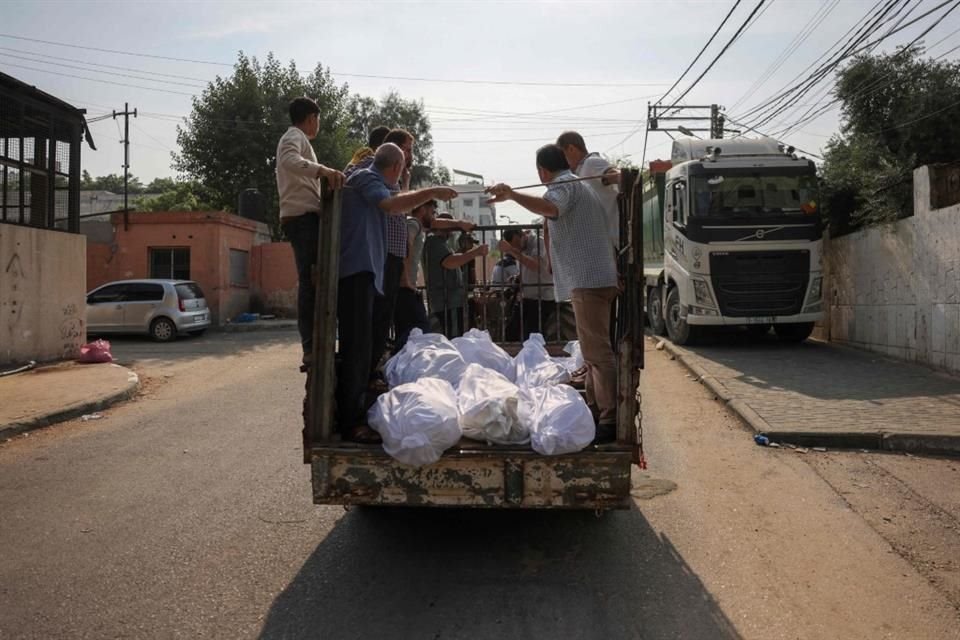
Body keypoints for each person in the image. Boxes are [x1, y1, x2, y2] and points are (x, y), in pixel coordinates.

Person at [485, 144, 619, 443]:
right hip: (595, 277)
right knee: (594, 353)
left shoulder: (562, 186)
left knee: (598, 354)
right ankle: (599, 412)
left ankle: (609, 419)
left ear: (542, 172)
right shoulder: (578, 186)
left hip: (589, 280)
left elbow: (551, 208)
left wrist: (513, 195)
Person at [337, 143, 458, 443]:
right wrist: (431, 192)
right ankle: (350, 422)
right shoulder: (365, 177)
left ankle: (357, 412)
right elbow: (391, 205)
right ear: (394, 168)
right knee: (356, 347)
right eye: (402, 171)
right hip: (355, 271)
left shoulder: (377, 182)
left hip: (366, 273)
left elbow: (396, 200)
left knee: (366, 345)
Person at [275, 96, 346, 371]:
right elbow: (289, 160)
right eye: (318, 118)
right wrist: (323, 171)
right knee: (310, 279)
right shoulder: (293, 137)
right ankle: (309, 346)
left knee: (317, 280)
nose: (318, 124)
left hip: (306, 218)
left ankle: (317, 341)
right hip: (301, 219)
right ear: (311, 117)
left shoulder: (299, 139)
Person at [368, 129, 417, 385]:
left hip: (394, 256)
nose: (411, 155)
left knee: (385, 316)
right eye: (408, 149)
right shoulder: (372, 173)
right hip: (383, 255)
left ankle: (377, 367)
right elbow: (394, 206)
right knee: (377, 316)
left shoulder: (397, 178)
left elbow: (402, 209)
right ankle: (370, 371)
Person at [394, 201, 475, 352]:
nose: (434, 218)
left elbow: (436, 223)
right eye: (432, 213)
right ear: (423, 210)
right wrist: (405, 278)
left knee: (414, 332)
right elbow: (405, 243)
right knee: (420, 333)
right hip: (409, 289)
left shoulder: (421, 228)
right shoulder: (414, 225)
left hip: (409, 288)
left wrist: (459, 223)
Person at [423, 213, 489, 338]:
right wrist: (476, 251)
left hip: (450, 300)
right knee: (452, 339)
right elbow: (449, 262)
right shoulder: (434, 242)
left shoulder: (442, 244)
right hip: (446, 301)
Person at [556, 131, 620, 251]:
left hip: (609, 243)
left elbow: (612, 175)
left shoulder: (591, 162)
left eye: (562, 156)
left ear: (571, 149)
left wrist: (621, 176)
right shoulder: (580, 171)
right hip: (598, 243)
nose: (563, 162)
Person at [498, 228, 556, 341]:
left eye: (518, 244)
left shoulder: (538, 242)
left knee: (532, 335)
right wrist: (518, 277)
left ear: (523, 235)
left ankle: (536, 356)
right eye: (514, 246)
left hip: (542, 297)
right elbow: (526, 267)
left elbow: (536, 265)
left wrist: (512, 250)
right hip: (528, 296)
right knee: (511, 332)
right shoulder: (519, 249)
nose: (517, 248)